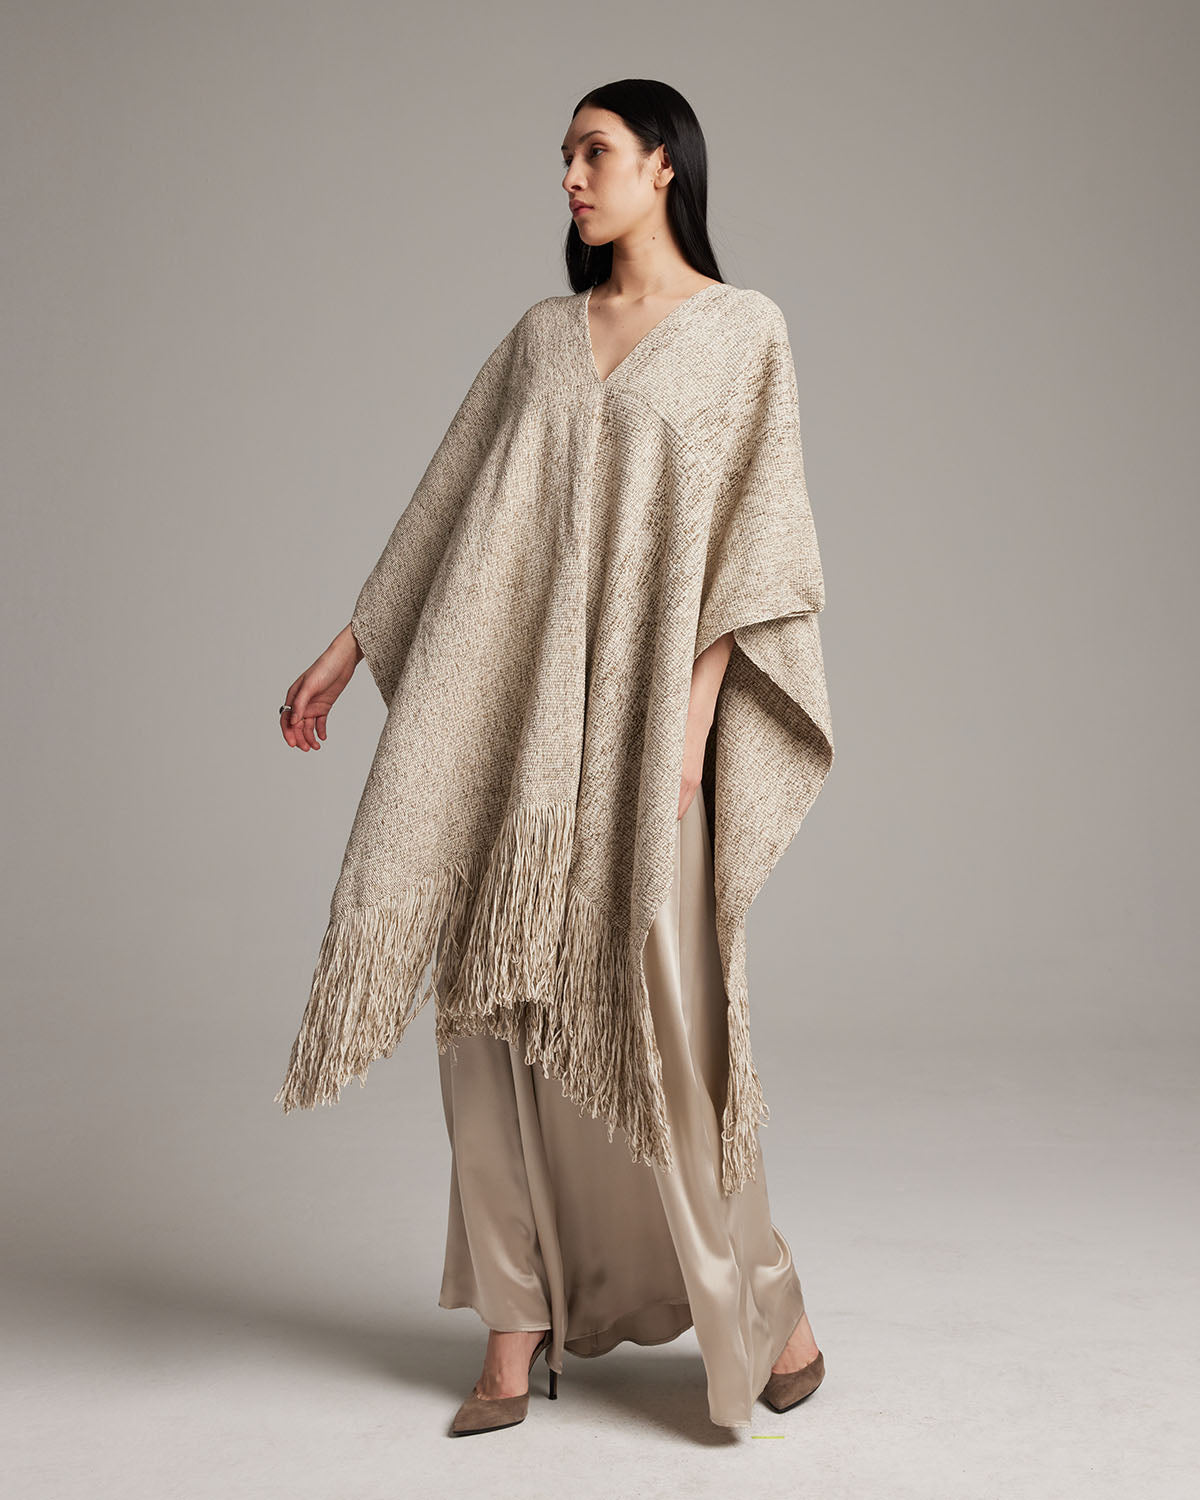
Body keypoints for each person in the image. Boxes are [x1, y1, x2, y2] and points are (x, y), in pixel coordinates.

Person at [275, 78, 834, 1436]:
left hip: (647, 730)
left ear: (664, 164)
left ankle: (766, 1308)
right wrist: (347, 649)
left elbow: (758, 550)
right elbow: (447, 501)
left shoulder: (745, 333)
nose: (571, 178)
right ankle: (512, 1326)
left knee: (671, 1035)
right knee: (483, 1021)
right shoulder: (540, 336)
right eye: (564, 158)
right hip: (509, 729)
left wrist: (692, 730)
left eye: (594, 152)